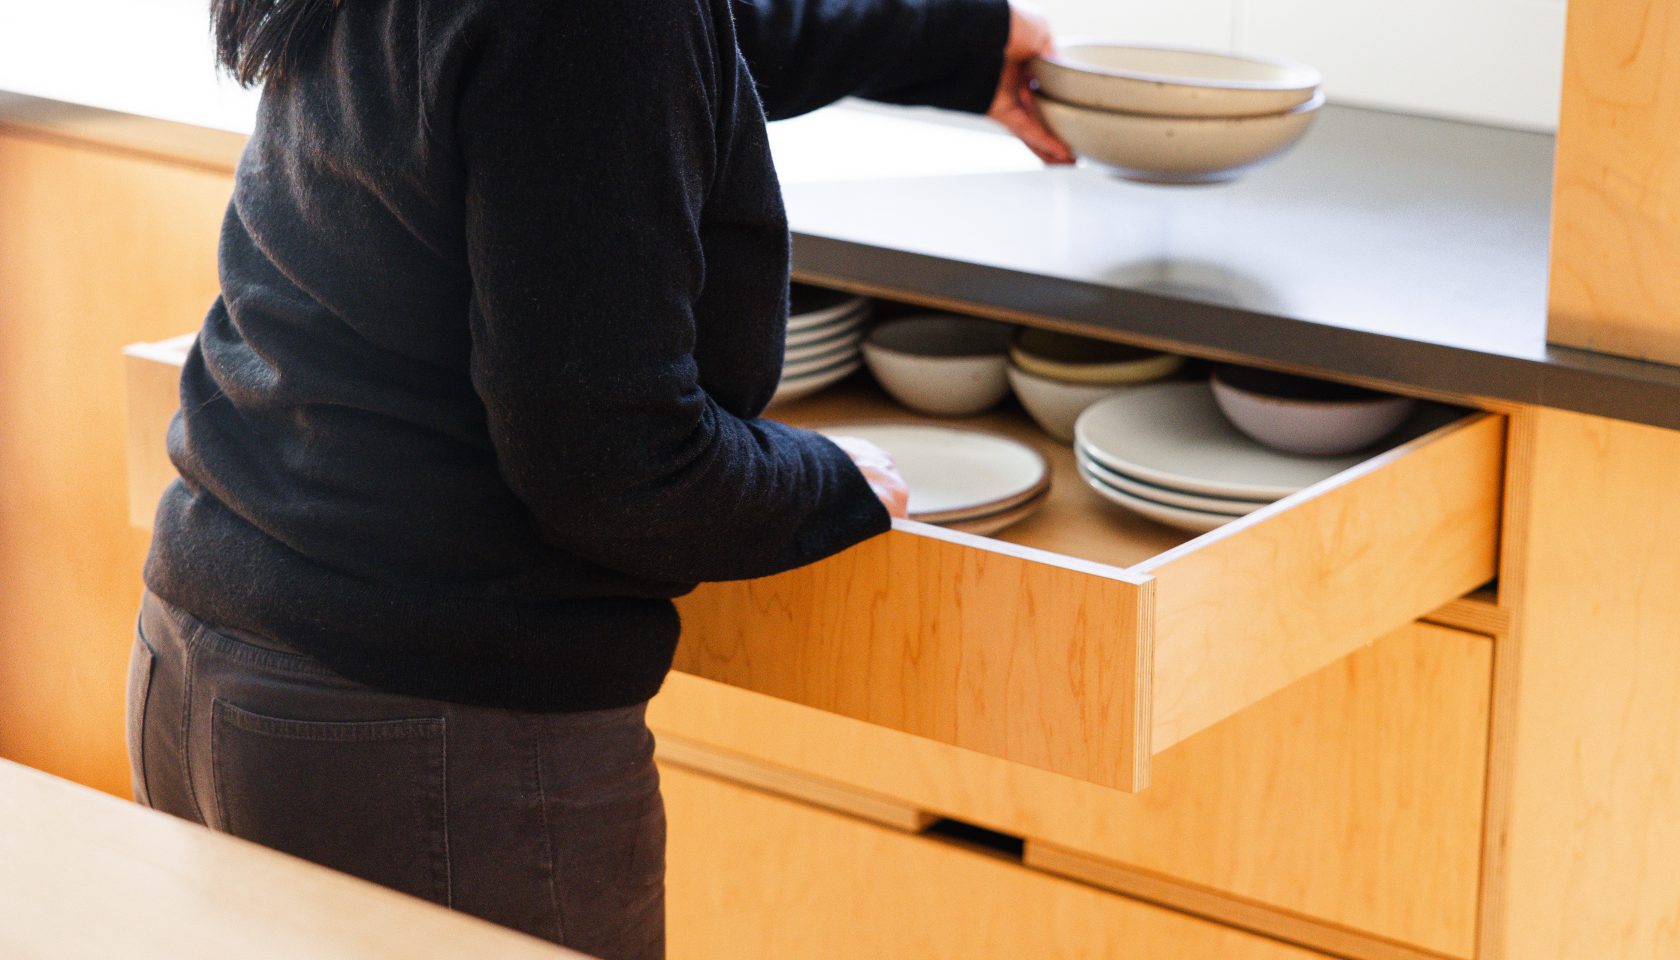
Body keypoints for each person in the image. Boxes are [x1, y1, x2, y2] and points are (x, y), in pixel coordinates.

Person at [125, 0, 1070, 957]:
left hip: (204, 650)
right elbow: (616, 467)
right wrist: (828, 482)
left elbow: (642, 59)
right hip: (427, 732)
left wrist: (958, 45)